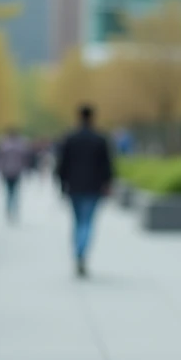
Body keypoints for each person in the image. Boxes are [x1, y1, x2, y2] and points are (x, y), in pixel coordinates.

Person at [55, 104, 114, 277]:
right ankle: (82, 253)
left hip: (74, 186)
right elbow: (107, 165)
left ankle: (78, 252)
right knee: (87, 221)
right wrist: (108, 183)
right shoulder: (100, 138)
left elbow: (62, 164)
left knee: (77, 221)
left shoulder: (70, 138)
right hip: (94, 186)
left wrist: (61, 184)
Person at [0, 128, 30, 223]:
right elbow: (25, 159)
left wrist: (0, 169)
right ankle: (14, 210)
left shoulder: (3, 145)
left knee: (8, 192)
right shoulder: (20, 145)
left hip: (6, 171)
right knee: (15, 191)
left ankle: (9, 210)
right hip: (17, 171)